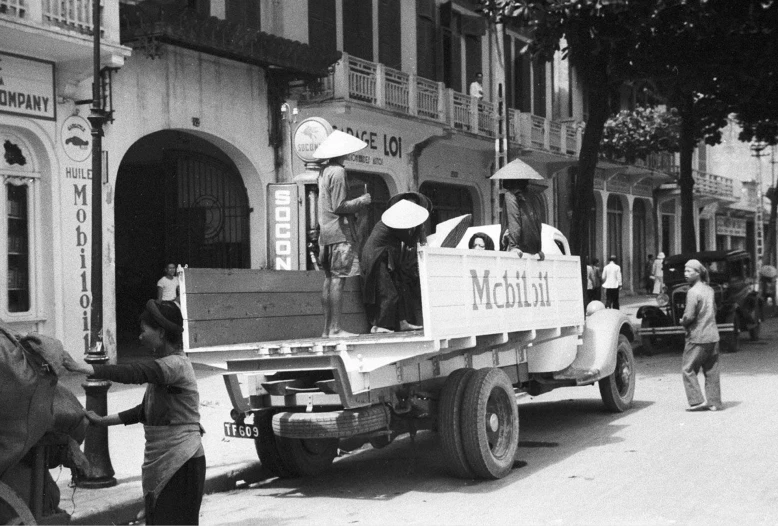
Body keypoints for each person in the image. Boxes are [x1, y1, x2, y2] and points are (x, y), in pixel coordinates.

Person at [62, 300, 205, 525]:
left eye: (144, 330)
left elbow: (135, 373)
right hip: (167, 461)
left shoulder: (175, 365)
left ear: (160, 332)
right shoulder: (166, 368)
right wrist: (102, 421)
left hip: (181, 461)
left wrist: (86, 368)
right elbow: (145, 410)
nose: (140, 336)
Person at [313, 130, 372, 338]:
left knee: (330, 280)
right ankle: (336, 328)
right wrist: (361, 201)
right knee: (338, 280)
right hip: (339, 233)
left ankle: (327, 329)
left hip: (326, 233)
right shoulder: (338, 172)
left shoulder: (324, 171)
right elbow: (339, 205)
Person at [361, 199, 429, 334]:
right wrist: (419, 228)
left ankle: (401, 322)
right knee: (389, 294)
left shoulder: (390, 222)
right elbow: (410, 242)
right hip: (376, 259)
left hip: (381, 257)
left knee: (398, 287)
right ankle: (378, 326)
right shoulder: (394, 225)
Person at [680, 259, 722, 412]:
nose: (685, 274)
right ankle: (714, 402)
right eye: (685, 271)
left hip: (698, 336)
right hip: (713, 335)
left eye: (688, 271)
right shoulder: (709, 290)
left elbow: (689, 316)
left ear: (698, 273)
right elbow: (715, 310)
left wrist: (683, 321)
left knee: (688, 369)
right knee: (712, 370)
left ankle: (697, 401)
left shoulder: (692, 292)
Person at [497, 179, 545, 260]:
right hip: (533, 249)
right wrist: (538, 249)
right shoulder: (535, 196)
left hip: (519, 250)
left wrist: (513, 246)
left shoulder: (510, 195)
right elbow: (538, 223)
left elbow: (514, 221)